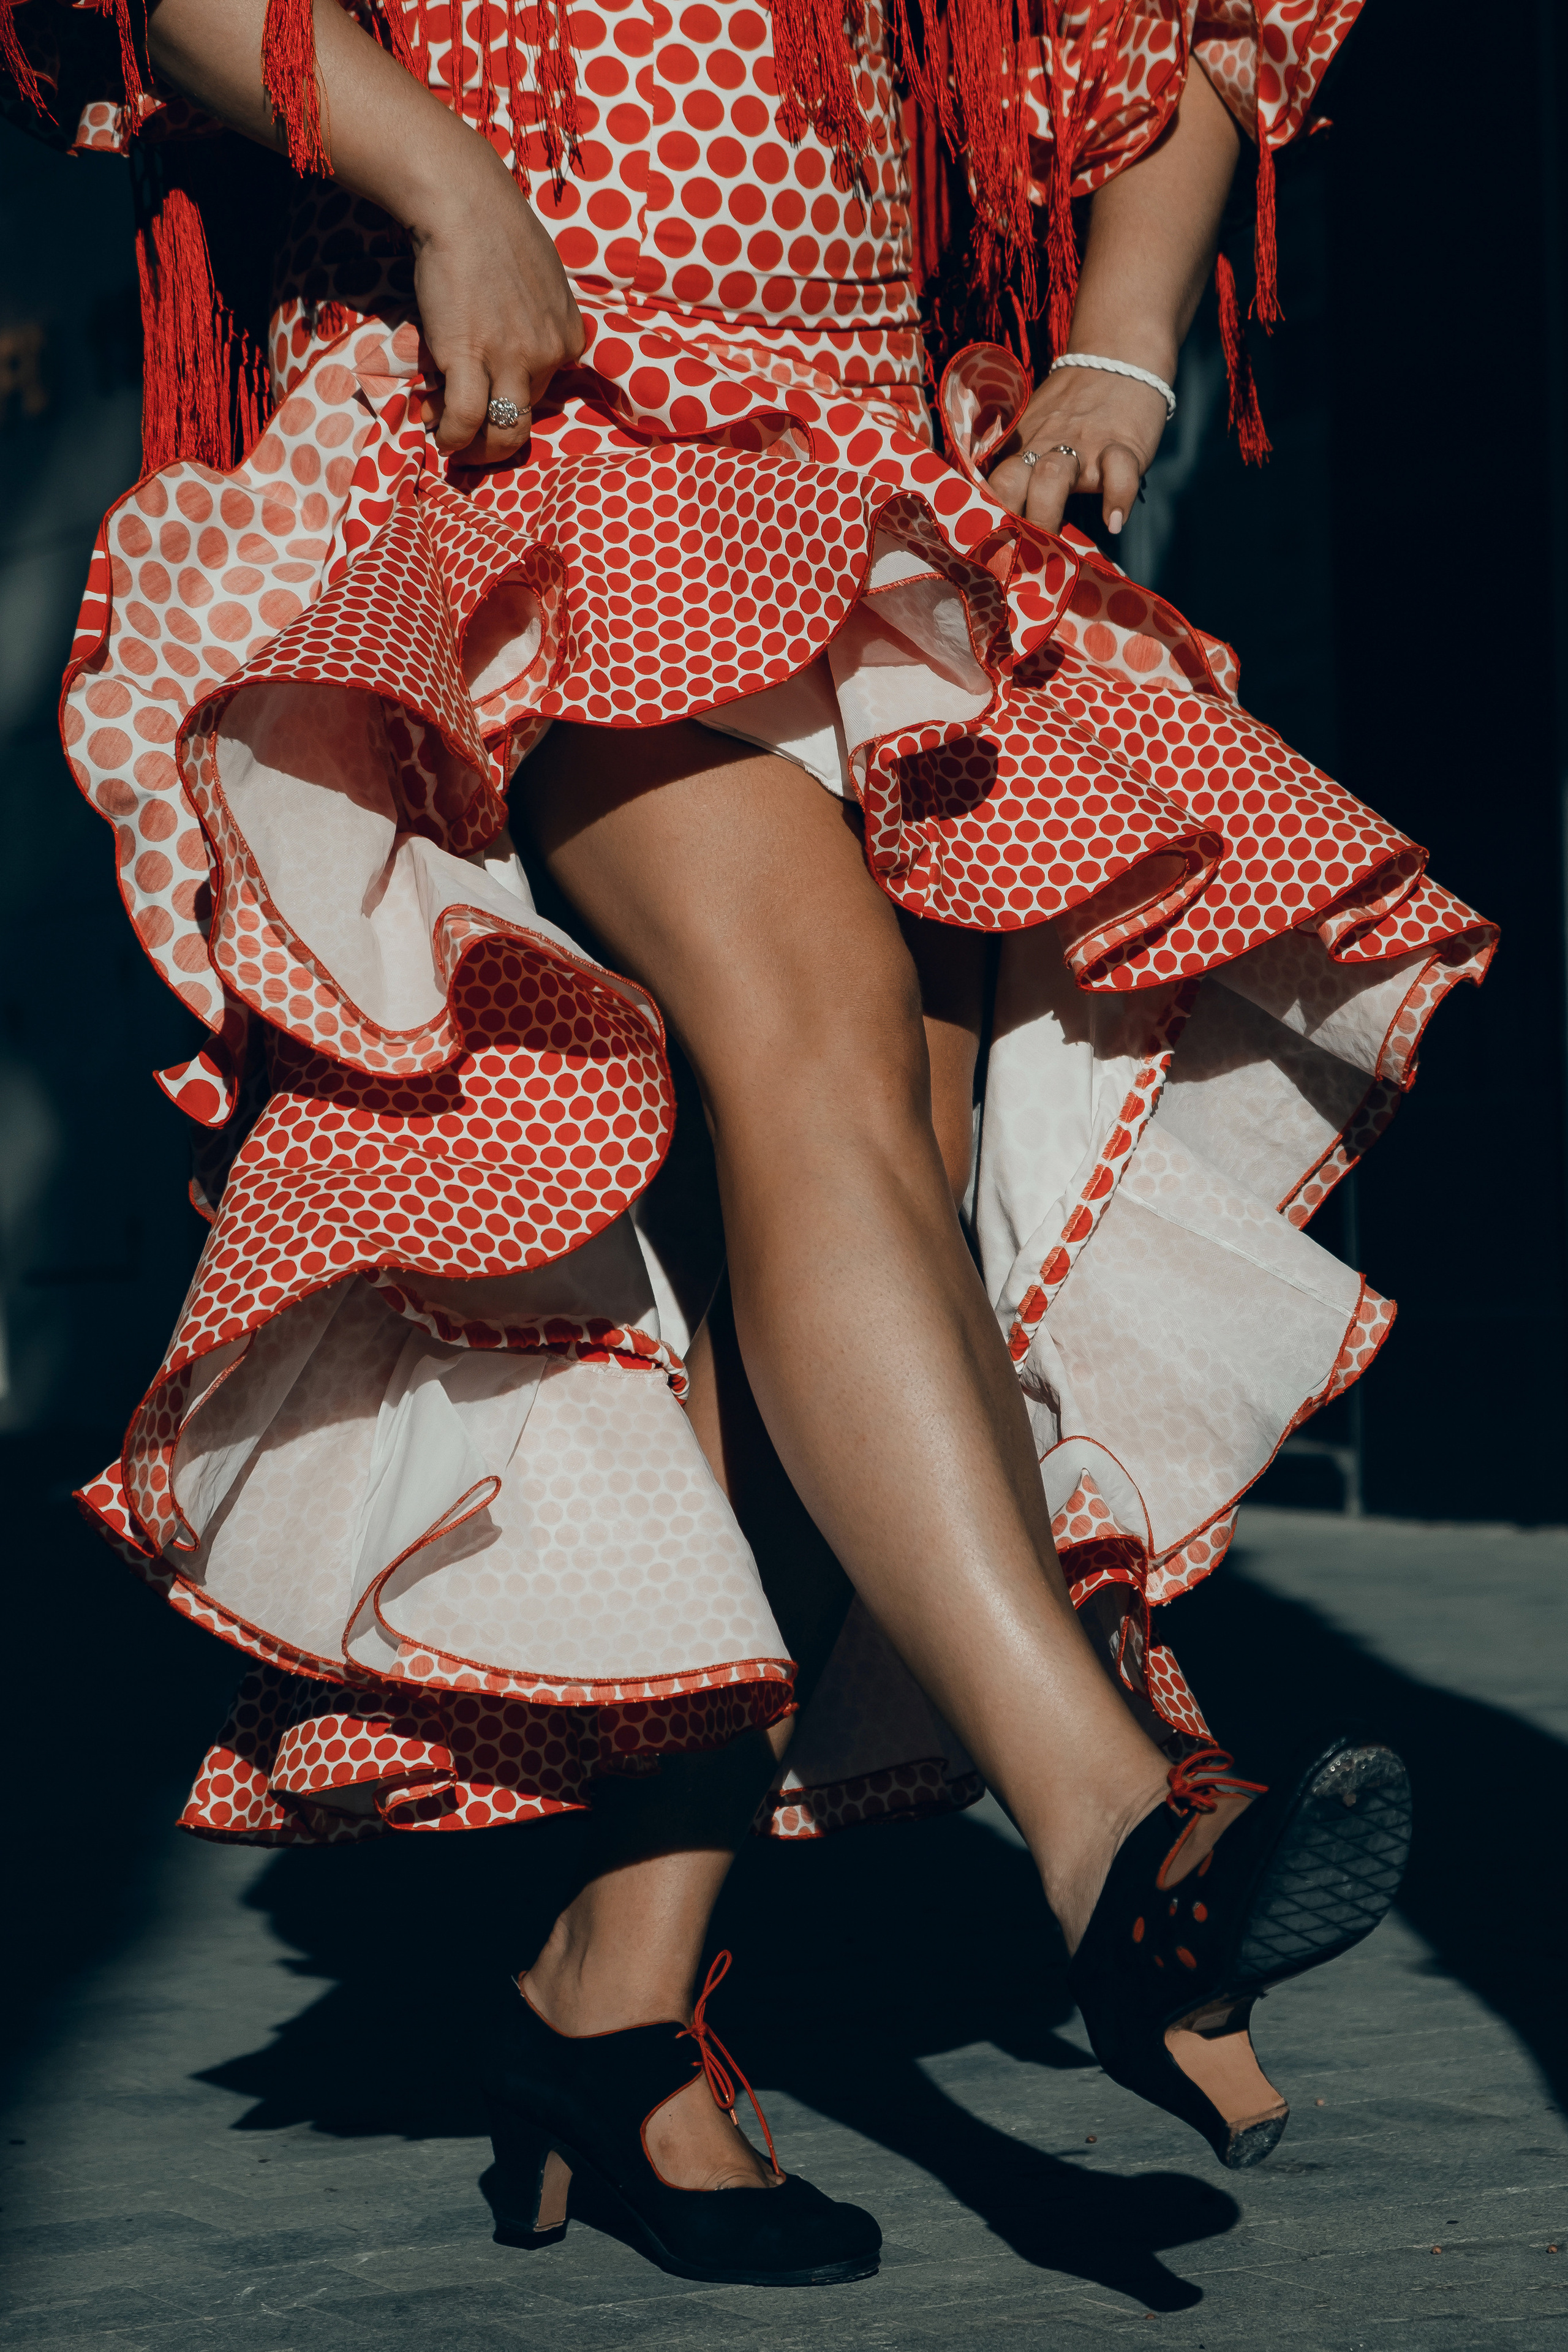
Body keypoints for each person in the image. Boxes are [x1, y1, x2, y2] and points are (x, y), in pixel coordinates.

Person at [7, 0, 1491, 2290]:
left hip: (868, 469)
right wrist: (449, 183)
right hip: (542, 411)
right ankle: (1110, 1830)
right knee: (814, 1051)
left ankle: (610, 2006)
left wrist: (1123, 347)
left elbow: (1192, 29)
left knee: (879, 1161)